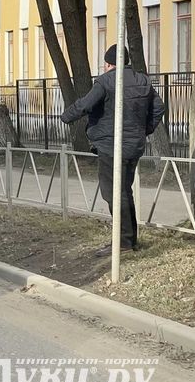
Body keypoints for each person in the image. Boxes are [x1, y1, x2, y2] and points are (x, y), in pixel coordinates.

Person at [60, 45, 165, 255]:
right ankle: (129, 240)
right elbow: (159, 108)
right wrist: (143, 130)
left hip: (110, 145)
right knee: (124, 191)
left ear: (108, 64)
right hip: (133, 145)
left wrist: (66, 117)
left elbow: (85, 105)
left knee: (113, 193)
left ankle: (124, 243)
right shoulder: (143, 80)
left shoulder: (106, 81)